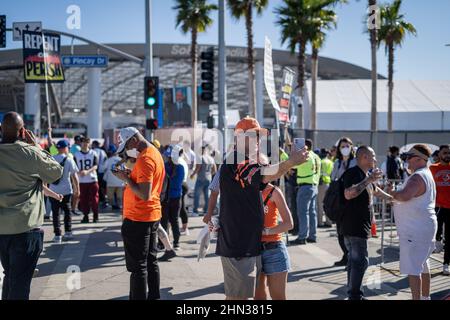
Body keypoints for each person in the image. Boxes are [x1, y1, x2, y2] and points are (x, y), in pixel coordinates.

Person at [216, 116, 308, 300]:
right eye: (253, 135)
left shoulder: (243, 160)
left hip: (245, 244)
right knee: (238, 299)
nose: (258, 140)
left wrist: (291, 162)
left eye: (259, 136)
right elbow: (264, 175)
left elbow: (267, 176)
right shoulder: (236, 159)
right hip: (238, 245)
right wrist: (290, 162)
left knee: (242, 297)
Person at [0, 112, 63, 300]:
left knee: (9, 275)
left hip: (2, 229)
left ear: (2, 129)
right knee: (20, 280)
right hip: (26, 228)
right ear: (22, 132)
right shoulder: (30, 152)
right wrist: (35, 145)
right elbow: (56, 172)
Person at [113, 127, 165, 300]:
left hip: (139, 218)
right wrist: (131, 176)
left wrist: (126, 179)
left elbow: (144, 194)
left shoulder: (145, 158)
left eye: (127, 147)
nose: (128, 152)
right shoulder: (153, 153)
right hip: (150, 215)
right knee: (150, 261)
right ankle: (154, 296)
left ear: (133, 140)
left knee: (138, 268)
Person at [342, 146, 393, 300]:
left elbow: (376, 191)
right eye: (373, 156)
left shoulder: (365, 175)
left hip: (358, 225)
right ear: (364, 157)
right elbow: (348, 194)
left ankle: (353, 292)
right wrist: (368, 180)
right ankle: (355, 295)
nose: (376, 159)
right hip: (354, 225)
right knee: (360, 262)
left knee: (354, 261)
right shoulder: (353, 173)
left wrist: (392, 198)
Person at [388, 145, 437, 300]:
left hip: (416, 229)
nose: (407, 161)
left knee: (414, 270)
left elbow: (405, 196)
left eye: (409, 158)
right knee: (423, 265)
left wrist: (392, 193)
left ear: (418, 159)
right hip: (423, 227)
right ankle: (425, 297)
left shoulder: (417, 176)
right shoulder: (426, 174)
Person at [254, 184, 293, 300]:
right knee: (258, 297)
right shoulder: (246, 189)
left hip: (274, 249)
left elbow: (289, 224)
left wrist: (265, 232)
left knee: (278, 297)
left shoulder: (274, 191)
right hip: (253, 251)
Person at [330, 137, 357, 267]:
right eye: (342, 147)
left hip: (352, 201)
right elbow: (333, 178)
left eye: (347, 146)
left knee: (350, 231)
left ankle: (351, 258)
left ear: (351, 147)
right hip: (339, 200)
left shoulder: (355, 162)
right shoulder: (337, 162)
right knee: (340, 231)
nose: (345, 149)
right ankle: (346, 255)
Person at [290, 139, 321, 245]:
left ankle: (302, 236)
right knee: (312, 213)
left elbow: (292, 165)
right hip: (314, 186)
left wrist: (290, 153)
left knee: (303, 212)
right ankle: (312, 235)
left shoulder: (305, 156)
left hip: (305, 186)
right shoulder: (316, 157)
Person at [49, 139, 80, 243]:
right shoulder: (69, 159)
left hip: (53, 190)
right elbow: (74, 176)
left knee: (55, 213)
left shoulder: (51, 158)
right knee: (67, 212)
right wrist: (77, 189)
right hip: (66, 190)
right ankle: (68, 232)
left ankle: (57, 235)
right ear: (65, 148)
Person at [430, 144, 450, 275]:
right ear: (439, 154)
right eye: (445, 153)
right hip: (437, 206)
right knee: (432, 233)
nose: (447, 155)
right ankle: (437, 241)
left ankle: (446, 264)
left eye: (449, 153)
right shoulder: (432, 168)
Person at [161, 145, 185, 250]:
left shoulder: (164, 166)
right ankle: (176, 243)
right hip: (176, 197)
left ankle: (162, 244)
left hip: (165, 197)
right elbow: (178, 183)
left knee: (164, 221)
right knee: (174, 221)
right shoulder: (181, 167)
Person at [74, 137, 100, 223]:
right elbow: (74, 167)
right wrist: (79, 172)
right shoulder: (76, 154)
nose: (85, 144)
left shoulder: (93, 153)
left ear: (89, 143)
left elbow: (95, 166)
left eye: (87, 142)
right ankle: (86, 216)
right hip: (82, 180)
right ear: (81, 143)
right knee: (83, 199)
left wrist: (87, 171)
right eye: (84, 142)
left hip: (92, 179)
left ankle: (95, 215)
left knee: (94, 199)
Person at [191, 145, 217, 215]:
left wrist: (192, 175)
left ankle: (195, 210)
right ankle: (206, 210)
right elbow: (215, 170)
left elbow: (197, 168)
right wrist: (209, 174)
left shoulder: (200, 158)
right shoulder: (211, 158)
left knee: (197, 195)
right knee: (207, 195)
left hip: (200, 178)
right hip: (208, 178)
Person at [101, 145, 125, 210]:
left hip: (110, 181)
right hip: (120, 181)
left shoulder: (108, 160)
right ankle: (119, 206)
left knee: (110, 196)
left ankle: (113, 206)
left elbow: (102, 169)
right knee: (119, 196)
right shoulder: (121, 160)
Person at [317, 149, 334, 228]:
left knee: (320, 204)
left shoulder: (320, 162)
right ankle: (329, 221)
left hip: (321, 183)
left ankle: (320, 222)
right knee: (328, 203)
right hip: (328, 183)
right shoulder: (331, 162)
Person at [92, 140, 108, 207]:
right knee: (101, 187)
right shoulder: (103, 151)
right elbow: (105, 161)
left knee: (95, 186)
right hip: (102, 171)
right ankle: (103, 200)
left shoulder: (92, 151)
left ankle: (96, 200)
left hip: (94, 171)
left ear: (94, 145)